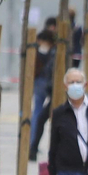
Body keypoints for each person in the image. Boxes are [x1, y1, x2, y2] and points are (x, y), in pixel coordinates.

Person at [27, 23, 58, 162]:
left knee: (39, 116)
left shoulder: (55, 52)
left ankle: (34, 146)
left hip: (51, 88)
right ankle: (33, 146)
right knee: (39, 116)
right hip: (47, 86)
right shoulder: (48, 52)